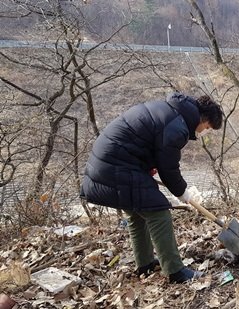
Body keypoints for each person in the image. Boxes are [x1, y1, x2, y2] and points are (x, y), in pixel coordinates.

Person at [80, 92, 223, 283]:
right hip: (116, 165)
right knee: (159, 211)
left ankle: (145, 264)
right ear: (203, 119)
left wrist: (148, 165)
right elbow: (169, 169)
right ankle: (175, 271)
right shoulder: (177, 126)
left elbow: (148, 147)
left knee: (137, 212)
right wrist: (184, 193)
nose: (203, 132)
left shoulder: (170, 112)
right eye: (207, 128)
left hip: (108, 163)